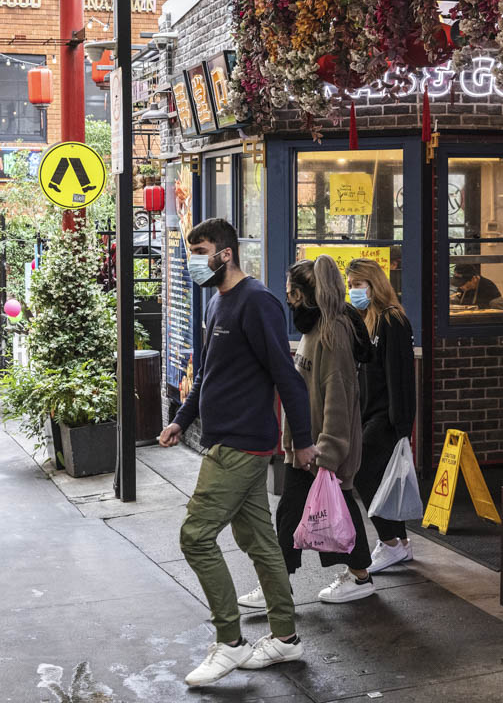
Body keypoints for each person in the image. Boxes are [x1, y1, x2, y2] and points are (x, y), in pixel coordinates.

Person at [159, 218, 316, 686]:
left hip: (242, 445)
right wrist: (181, 420)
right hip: (223, 438)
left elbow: (287, 377)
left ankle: (229, 643)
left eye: (200, 250)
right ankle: (285, 639)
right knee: (260, 543)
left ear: (224, 254)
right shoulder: (215, 302)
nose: (194, 260)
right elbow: (205, 373)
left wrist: (303, 441)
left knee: (196, 536)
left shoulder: (259, 301)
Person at [240, 255, 374, 608]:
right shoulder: (313, 329)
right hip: (308, 446)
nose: (287, 299)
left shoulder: (332, 335)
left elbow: (338, 397)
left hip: (318, 450)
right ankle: (361, 575)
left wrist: (327, 453)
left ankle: (277, 586)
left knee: (291, 515)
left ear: (306, 295)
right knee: (329, 510)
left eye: (291, 293)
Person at [345, 258, 417, 573]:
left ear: (374, 285)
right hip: (369, 413)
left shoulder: (392, 321)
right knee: (381, 479)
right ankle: (398, 543)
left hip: (386, 417)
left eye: (357, 285)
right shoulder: (367, 321)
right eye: (349, 286)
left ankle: (389, 542)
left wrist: (401, 426)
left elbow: (400, 376)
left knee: (361, 473)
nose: (353, 291)